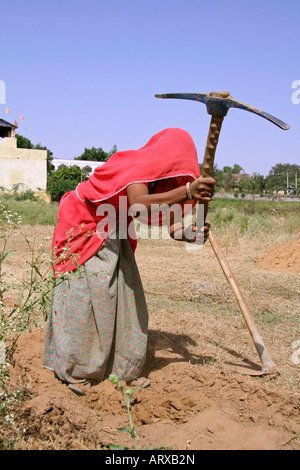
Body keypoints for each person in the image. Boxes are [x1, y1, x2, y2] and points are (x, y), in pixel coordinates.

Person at [43, 127, 215, 389]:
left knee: (125, 295)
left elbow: (173, 228)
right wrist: (189, 192)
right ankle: (77, 368)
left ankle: (119, 370)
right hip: (85, 222)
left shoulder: (169, 183)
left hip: (116, 227)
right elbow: (137, 204)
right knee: (90, 293)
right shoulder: (138, 166)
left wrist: (192, 233)